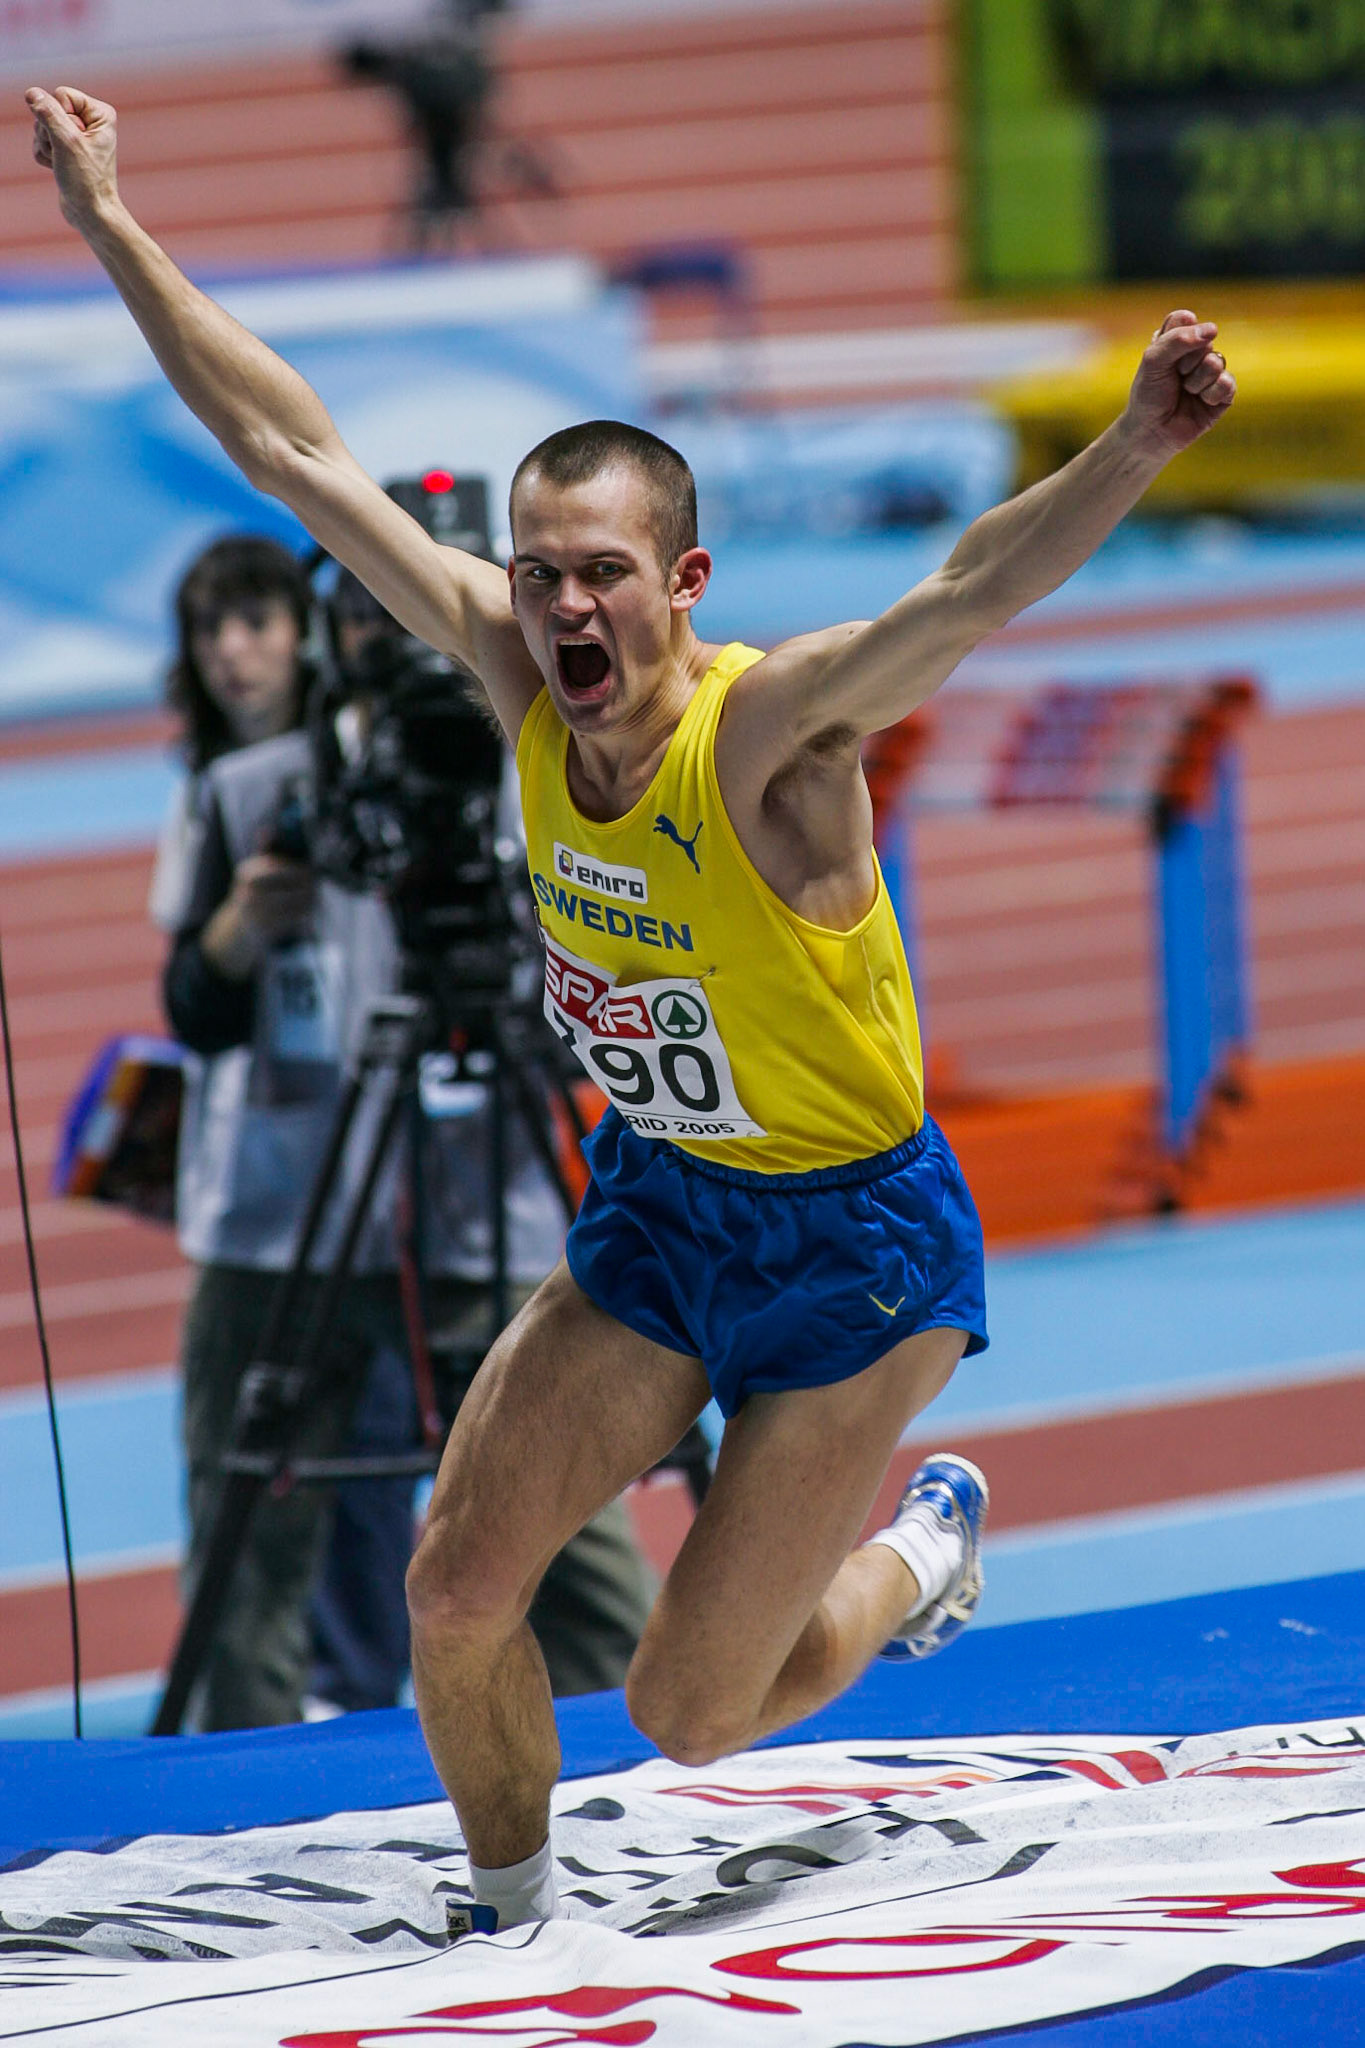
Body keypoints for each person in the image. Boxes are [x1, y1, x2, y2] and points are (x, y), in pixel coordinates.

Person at [29, 82, 1235, 1924]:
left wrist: (1139, 442)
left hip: (856, 1248)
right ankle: (506, 1923)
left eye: (604, 575)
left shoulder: (767, 727)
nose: (565, 607)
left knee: (686, 1705)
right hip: (663, 1204)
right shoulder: (512, 680)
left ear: (682, 586)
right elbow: (294, 455)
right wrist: (111, 224)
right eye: (540, 573)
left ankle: (923, 1552)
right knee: (454, 1586)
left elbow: (966, 588)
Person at [149, 532, 655, 1728]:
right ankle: (240, 1805)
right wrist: (236, 929)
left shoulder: (551, 781)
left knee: (566, 1517)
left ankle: (644, 1769)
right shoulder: (251, 792)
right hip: (284, 1214)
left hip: (486, 1207)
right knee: (250, 1550)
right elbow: (191, 1004)